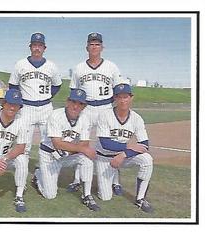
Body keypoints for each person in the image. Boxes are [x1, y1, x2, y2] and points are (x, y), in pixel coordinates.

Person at [68, 32, 125, 195]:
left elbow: (119, 90)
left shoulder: (111, 67)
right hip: (86, 108)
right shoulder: (79, 68)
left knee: (111, 141)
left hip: (106, 106)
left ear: (102, 47)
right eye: (91, 44)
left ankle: (115, 181)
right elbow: (74, 91)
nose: (94, 47)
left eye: (97, 44)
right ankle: (77, 179)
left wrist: (114, 108)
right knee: (81, 143)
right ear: (87, 47)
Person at [31, 88, 100, 211]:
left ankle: (87, 195)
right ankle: (38, 175)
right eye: (73, 102)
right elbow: (57, 143)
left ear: (84, 106)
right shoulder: (56, 115)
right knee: (50, 195)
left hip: (68, 153)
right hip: (50, 155)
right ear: (67, 102)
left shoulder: (85, 118)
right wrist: (78, 149)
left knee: (87, 158)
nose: (76, 106)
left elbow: (84, 143)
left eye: (80, 104)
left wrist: (71, 151)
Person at [95, 83, 154, 213]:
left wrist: (123, 154)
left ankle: (140, 198)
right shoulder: (105, 115)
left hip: (122, 157)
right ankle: (114, 179)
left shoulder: (137, 118)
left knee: (147, 159)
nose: (123, 100)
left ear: (131, 98)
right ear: (114, 98)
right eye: (119, 97)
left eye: (125, 97)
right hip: (104, 158)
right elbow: (105, 143)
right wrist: (129, 146)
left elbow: (145, 145)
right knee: (105, 197)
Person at [8, 32, 62, 162]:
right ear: (30, 47)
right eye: (34, 45)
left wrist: (46, 96)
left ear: (44, 48)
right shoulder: (20, 64)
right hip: (26, 108)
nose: (37, 48)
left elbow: (57, 86)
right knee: (24, 145)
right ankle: (21, 181)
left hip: (45, 107)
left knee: (48, 144)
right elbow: (13, 86)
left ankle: (40, 175)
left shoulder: (51, 66)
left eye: (40, 45)